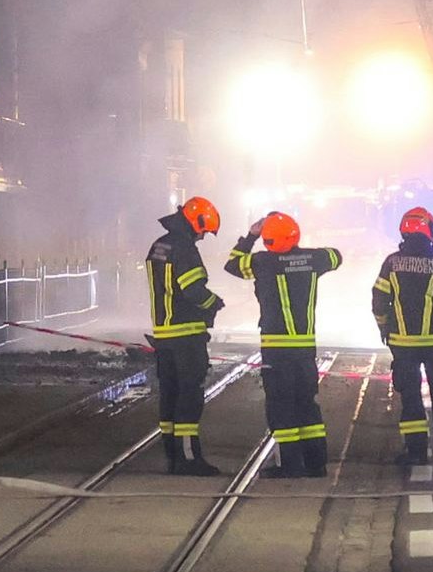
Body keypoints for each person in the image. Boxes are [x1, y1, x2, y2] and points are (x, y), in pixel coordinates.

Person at [227, 211, 344, 475]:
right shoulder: (315, 259)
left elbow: (232, 265)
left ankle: (289, 464)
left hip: (276, 349)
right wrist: (302, 253)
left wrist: (251, 235)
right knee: (306, 403)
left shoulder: (262, 262)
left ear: (268, 241)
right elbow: (336, 256)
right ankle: (316, 464)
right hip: (304, 348)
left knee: (281, 406)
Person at [370, 208, 433, 465]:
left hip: (403, 344)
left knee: (410, 400)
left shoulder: (391, 262)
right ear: (429, 230)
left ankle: (416, 453)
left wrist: (383, 327)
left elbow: (378, 299)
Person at [143, 195, 226, 474]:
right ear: (197, 223)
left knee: (170, 395)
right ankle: (189, 459)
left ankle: (173, 455)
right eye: (203, 231)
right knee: (190, 397)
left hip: (164, 334)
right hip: (187, 335)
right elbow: (193, 291)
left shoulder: (159, 245)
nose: (203, 237)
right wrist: (214, 303)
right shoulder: (184, 248)